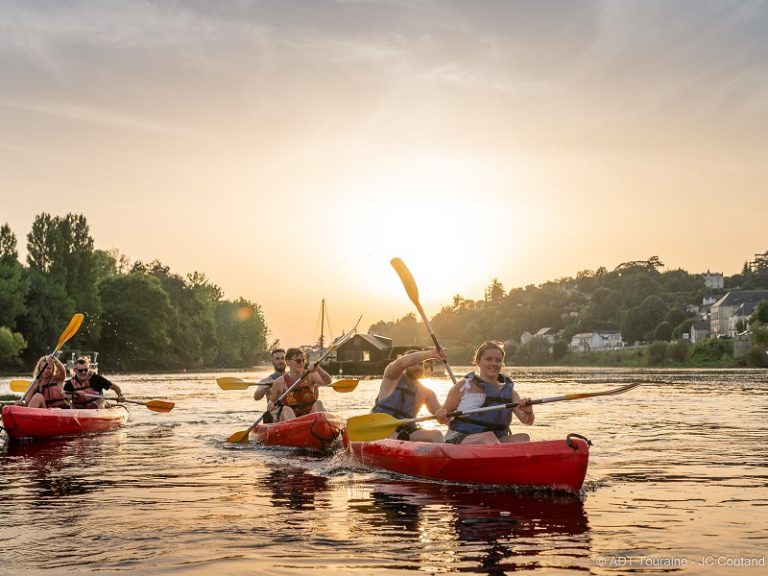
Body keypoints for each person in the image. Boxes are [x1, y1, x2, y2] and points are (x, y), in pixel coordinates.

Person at [436, 341, 533, 444]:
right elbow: (442, 419)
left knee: (523, 438)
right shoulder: (462, 387)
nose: (494, 364)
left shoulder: (511, 393)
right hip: (458, 440)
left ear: (502, 363)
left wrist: (528, 412)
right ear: (478, 361)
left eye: (498, 360)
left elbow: (527, 421)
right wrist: (441, 415)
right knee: (488, 437)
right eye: (488, 359)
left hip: (494, 442)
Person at [371, 347, 446, 443]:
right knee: (393, 434)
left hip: (406, 431)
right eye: (413, 364)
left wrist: (444, 415)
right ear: (406, 366)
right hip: (380, 425)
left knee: (436, 435)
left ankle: (443, 456)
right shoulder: (391, 376)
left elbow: (444, 419)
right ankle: (397, 439)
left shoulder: (427, 393)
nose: (418, 368)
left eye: (420, 364)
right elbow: (400, 363)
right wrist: (431, 354)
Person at [267, 348, 331, 421]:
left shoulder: (310, 375)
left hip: (310, 418)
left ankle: (320, 425)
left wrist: (319, 369)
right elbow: (271, 400)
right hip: (291, 419)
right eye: (298, 361)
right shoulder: (280, 382)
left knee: (318, 403)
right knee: (285, 409)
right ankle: (295, 428)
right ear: (288, 362)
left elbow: (328, 381)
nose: (301, 363)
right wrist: (270, 404)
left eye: (303, 361)